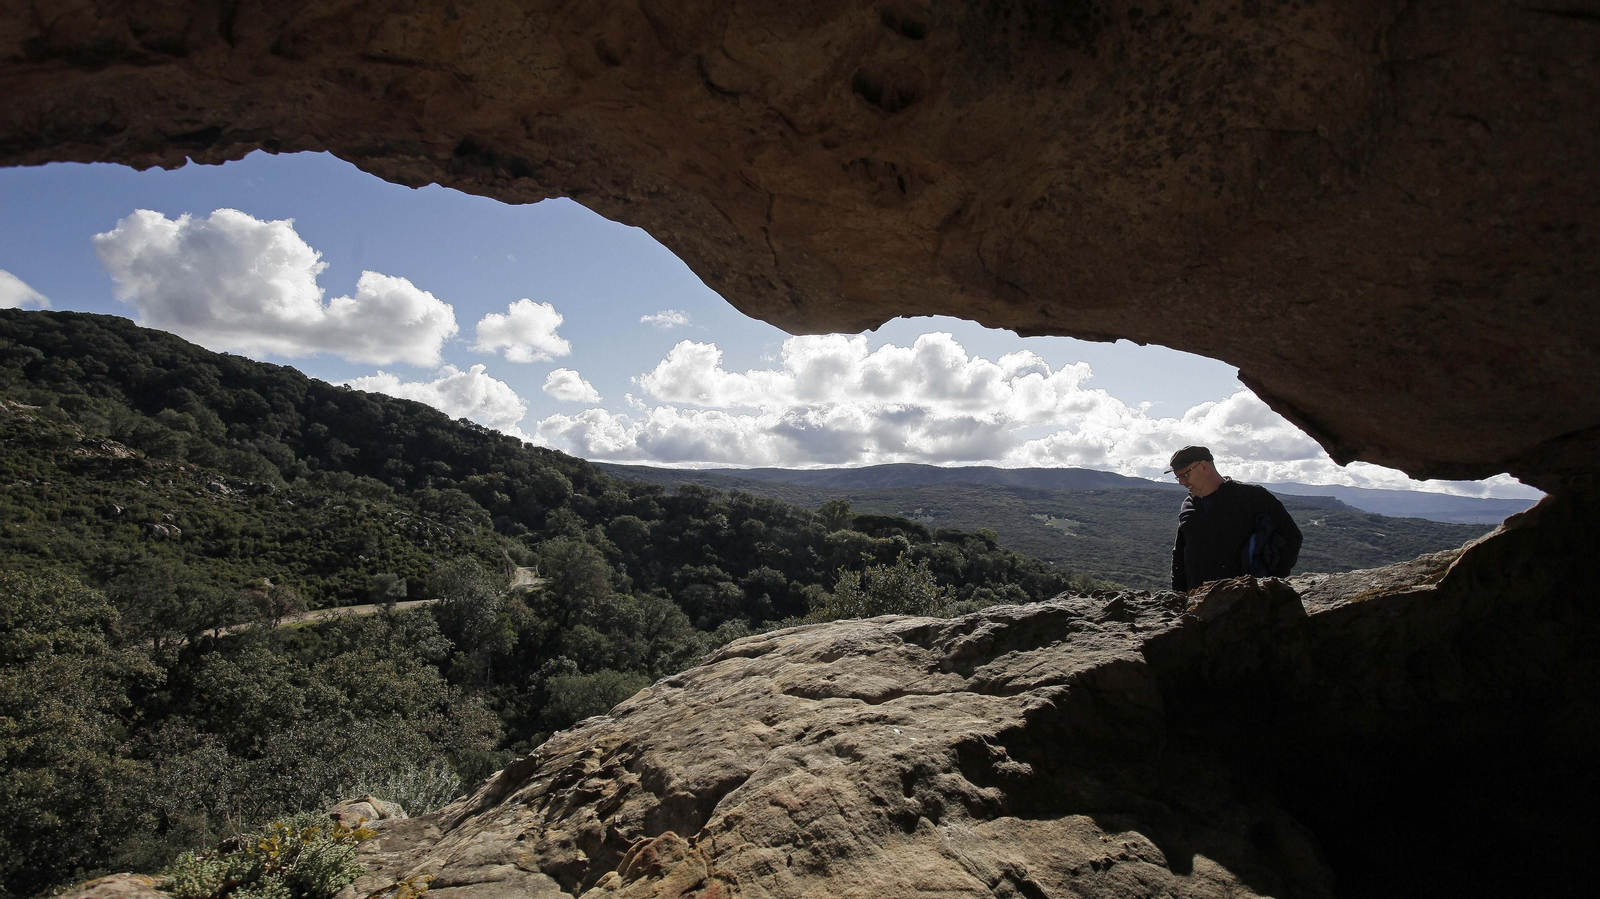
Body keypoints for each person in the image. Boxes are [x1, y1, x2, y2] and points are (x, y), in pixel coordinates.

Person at [1167, 445, 1303, 592]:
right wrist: (1178, 595)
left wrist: (1273, 581)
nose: (1181, 482)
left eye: (1184, 475)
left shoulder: (1252, 496)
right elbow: (1180, 553)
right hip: (1198, 601)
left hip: (1245, 601)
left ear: (1204, 467)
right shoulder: (1189, 505)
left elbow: (1291, 536)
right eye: (1178, 477)